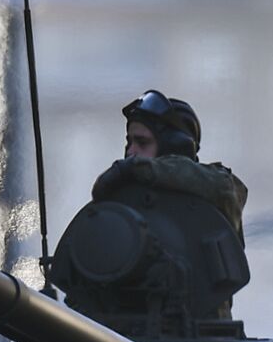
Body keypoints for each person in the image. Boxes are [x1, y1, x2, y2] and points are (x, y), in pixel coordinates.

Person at [92, 90, 248, 243]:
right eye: (129, 142)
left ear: (174, 148)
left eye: (142, 142)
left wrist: (133, 168)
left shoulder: (216, 187)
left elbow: (224, 186)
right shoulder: (126, 201)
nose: (131, 151)